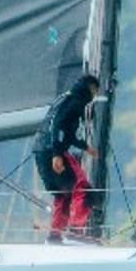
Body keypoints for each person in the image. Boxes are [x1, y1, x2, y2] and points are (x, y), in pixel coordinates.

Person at [32, 74, 100, 243]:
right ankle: (75, 231)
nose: (94, 96)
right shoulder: (76, 101)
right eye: (95, 91)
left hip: (41, 150)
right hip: (52, 150)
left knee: (63, 193)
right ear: (89, 87)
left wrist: (85, 147)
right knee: (83, 189)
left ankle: (55, 235)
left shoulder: (64, 98)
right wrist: (56, 154)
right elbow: (57, 124)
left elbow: (66, 131)